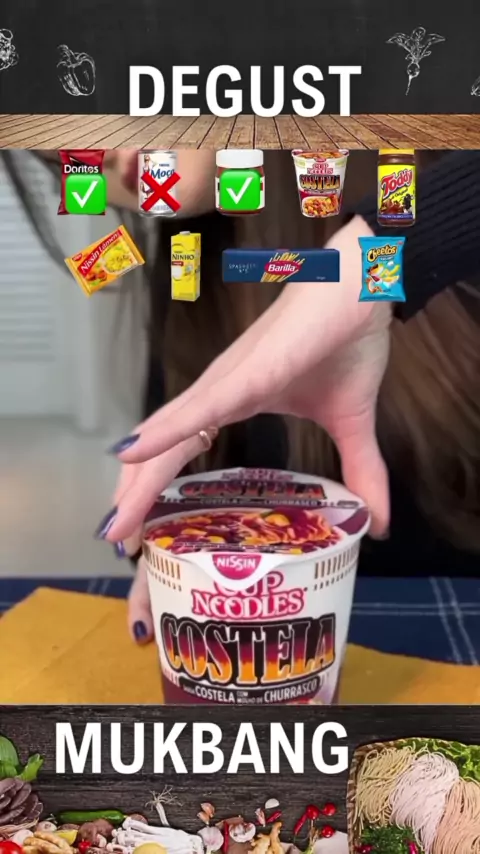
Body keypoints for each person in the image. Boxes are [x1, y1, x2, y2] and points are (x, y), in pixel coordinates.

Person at [3, 149, 479, 648]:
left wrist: (381, 251)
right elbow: (180, 480)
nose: (106, 153)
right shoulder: (186, 263)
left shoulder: (430, 164)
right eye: (67, 159)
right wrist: (183, 546)